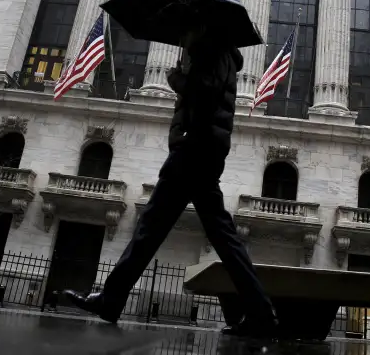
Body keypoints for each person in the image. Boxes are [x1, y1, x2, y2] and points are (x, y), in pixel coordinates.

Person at [65, 26, 279, 338]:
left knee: (152, 227)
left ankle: (112, 298)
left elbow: (204, 94)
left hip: (195, 150)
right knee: (212, 235)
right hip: (201, 149)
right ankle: (261, 312)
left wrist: (177, 78)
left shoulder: (215, 52)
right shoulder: (219, 54)